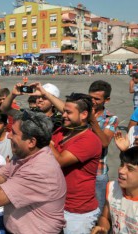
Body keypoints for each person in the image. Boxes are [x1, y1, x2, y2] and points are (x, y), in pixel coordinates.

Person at [49, 92, 102, 233]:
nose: (63, 115)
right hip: (56, 205)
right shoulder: (62, 131)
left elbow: (59, 160)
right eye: (63, 111)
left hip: (78, 213)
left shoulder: (89, 140)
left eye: (68, 112)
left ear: (84, 115)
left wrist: (45, 138)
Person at [91, 147, 138, 234]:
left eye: (130, 168)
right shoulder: (113, 187)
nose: (121, 171)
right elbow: (105, 217)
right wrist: (103, 228)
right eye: (121, 164)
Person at [88, 80, 118, 212]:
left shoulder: (111, 118)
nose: (92, 101)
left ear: (107, 100)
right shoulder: (81, 112)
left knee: (98, 210)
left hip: (98, 172)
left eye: (97, 99)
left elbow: (104, 142)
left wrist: (92, 120)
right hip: (78, 169)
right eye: (90, 98)